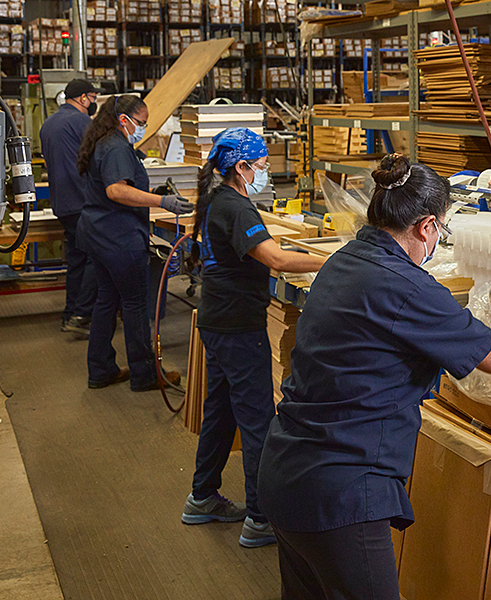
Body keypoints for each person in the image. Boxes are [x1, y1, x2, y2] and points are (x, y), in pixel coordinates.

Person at [257, 154, 491, 598]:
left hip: (286, 473)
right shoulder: (405, 285)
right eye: (442, 229)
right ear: (428, 226)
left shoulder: (344, 259)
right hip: (341, 492)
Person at [180, 128, 327, 549]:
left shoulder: (216, 199)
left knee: (222, 412)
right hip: (237, 327)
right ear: (241, 168)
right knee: (258, 419)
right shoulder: (235, 206)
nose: (264, 173)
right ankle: (261, 518)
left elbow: (259, 248)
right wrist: (335, 258)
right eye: (261, 167)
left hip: (218, 321)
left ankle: (202, 496)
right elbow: (276, 259)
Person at [75, 95, 194, 391]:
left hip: (99, 235)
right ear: (123, 120)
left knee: (107, 300)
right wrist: (162, 201)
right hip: (118, 238)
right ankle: (145, 374)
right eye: (141, 123)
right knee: (136, 304)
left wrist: (151, 192)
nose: (143, 128)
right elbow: (116, 190)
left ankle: (100, 369)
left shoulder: (104, 142)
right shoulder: (115, 145)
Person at [39, 78, 100, 337]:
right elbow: (98, 158)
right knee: (97, 257)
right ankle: (80, 315)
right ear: (83, 98)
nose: (94, 102)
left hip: (63, 203)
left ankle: (70, 314)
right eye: (93, 97)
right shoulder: (83, 122)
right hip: (83, 200)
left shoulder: (47, 124)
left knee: (77, 259)